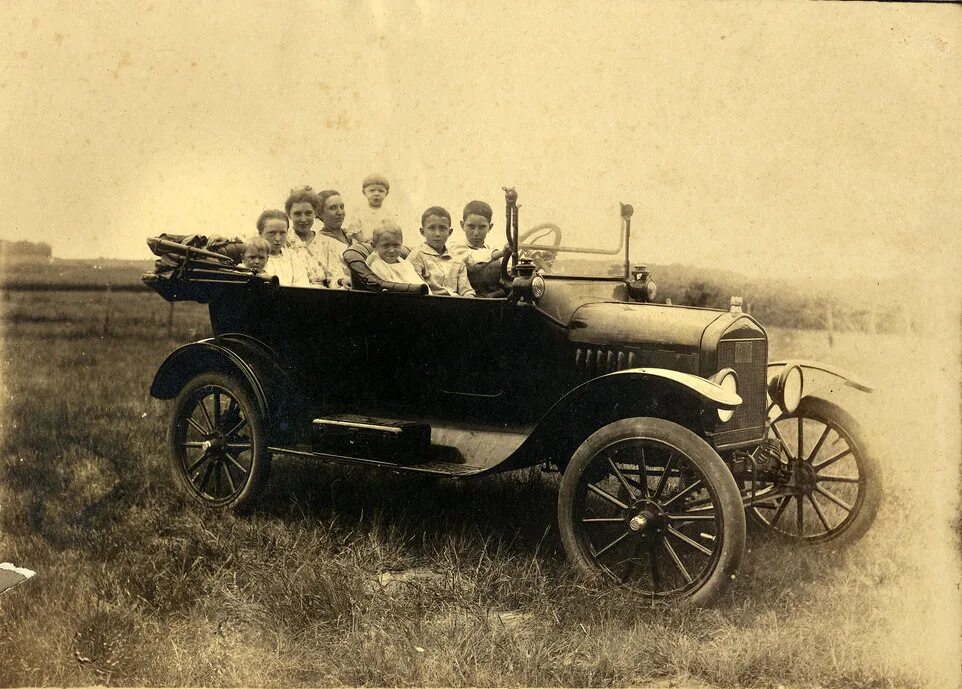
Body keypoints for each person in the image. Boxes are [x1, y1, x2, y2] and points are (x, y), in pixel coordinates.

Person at [283, 186, 349, 288]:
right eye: (297, 214)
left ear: (315, 213)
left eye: (308, 213)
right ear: (289, 215)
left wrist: (341, 281)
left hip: (323, 295)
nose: (304, 219)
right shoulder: (283, 241)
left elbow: (335, 274)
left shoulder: (326, 243)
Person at [406, 206, 475, 297]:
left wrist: (469, 299)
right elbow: (416, 290)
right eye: (432, 228)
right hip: (429, 303)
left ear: (449, 232)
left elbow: (466, 290)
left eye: (442, 228)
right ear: (422, 232)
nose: (437, 234)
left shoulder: (457, 260)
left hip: (456, 304)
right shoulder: (416, 256)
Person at [450, 200, 508, 298]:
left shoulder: (492, 249)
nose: (476, 232)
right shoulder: (455, 249)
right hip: (470, 302)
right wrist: (502, 253)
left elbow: (507, 270)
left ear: (490, 227)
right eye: (471, 226)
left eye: (482, 227)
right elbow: (472, 259)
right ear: (462, 225)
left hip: (495, 300)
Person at [256, 209, 313, 287]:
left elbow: (302, 285)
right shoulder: (254, 258)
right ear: (260, 233)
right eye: (272, 233)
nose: (278, 238)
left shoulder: (293, 257)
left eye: (282, 233)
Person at [365, 220, 427, 288]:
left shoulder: (405, 264)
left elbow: (417, 281)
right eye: (386, 245)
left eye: (396, 245)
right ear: (374, 246)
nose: (392, 250)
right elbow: (391, 288)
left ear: (401, 243)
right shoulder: (377, 266)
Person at [346, 173, 399, 245]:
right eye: (372, 190)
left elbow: (392, 232)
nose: (376, 193)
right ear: (364, 192)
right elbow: (355, 231)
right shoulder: (359, 211)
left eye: (381, 191)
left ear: (387, 193)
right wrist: (365, 241)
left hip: (381, 246)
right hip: (362, 245)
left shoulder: (389, 213)